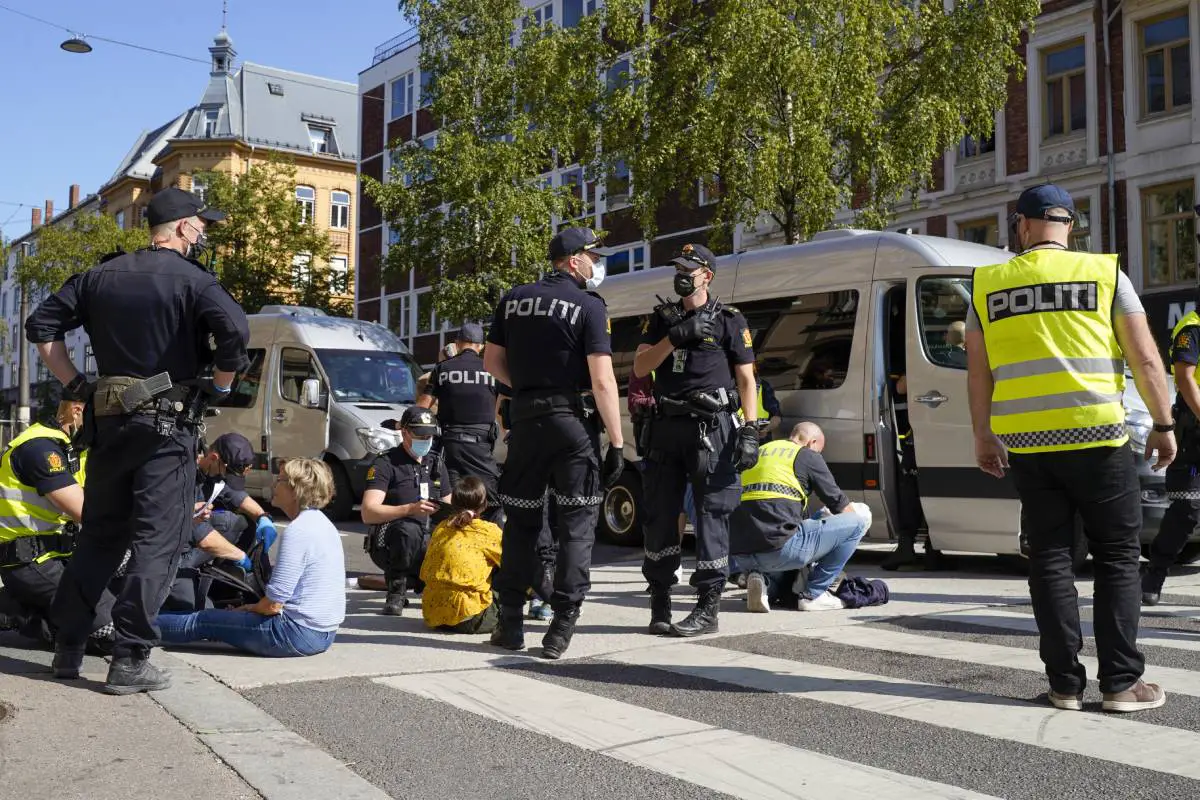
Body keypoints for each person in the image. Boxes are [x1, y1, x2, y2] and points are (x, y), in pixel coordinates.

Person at [27, 186, 249, 694]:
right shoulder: (195, 281)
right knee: (157, 540)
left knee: (101, 535)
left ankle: (68, 647)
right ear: (184, 227)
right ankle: (129, 658)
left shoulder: (100, 275)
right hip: (167, 431)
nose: (203, 236)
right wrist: (220, 384)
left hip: (109, 427)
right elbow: (234, 334)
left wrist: (74, 384)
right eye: (202, 227)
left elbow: (41, 324)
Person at [967, 182, 1175, 713]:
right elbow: (1147, 359)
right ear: (1070, 227)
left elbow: (979, 370)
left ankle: (1064, 686)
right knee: (1117, 559)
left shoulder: (988, 284)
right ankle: (1122, 684)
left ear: (1022, 225)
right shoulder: (1105, 274)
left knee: (1051, 559)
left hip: (1030, 445)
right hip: (1098, 438)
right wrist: (1163, 422)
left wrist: (984, 436)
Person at [483, 226, 625, 659]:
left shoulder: (513, 299)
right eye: (592, 257)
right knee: (576, 526)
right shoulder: (589, 305)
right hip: (571, 425)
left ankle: (510, 622)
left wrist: (527, 389)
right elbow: (602, 380)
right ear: (573, 260)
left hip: (525, 423)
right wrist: (617, 443)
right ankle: (561, 626)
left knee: (522, 525)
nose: (597, 264)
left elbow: (492, 362)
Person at [632, 243, 759, 637]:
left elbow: (747, 379)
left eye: (690, 267)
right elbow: (639, 367)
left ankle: (708, 607)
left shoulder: (731, 320)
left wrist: (751, 429)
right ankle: (660, 601)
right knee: (660, 514)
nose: (681, 273)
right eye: (678, 267)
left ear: (707, 275)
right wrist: (674, 337)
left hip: (713, 428)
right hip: (667, 425)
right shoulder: (659, 318)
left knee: (712, 515)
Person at [157, 458, 344, 657]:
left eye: (280, 480)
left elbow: (274, 604)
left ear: (295, 490)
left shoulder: (298, 530)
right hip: (324, 633)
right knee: (223, 619)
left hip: (294, 634)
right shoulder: (323, 523)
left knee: (203, 620)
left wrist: (246, 610)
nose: (274, 485)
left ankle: (132, 627)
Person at [0, 397, 115, 652]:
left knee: (126, 594)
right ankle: (13, 612)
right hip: (30, 561)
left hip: (60, 556)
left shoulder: (72, 449)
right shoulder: (40, 449)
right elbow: (87, 512)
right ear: (77, 412)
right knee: (113, 634)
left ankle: (36, 608)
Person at [730, 422, 869, 612]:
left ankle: (765, 585)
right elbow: (840, 506)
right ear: (812, 443)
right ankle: (814, 594)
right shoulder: (806, 456)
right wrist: (838, 552)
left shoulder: (760, 451)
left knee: (781, 561)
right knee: (858, 521)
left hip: (741, 553)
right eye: (819, 451)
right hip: (778, 550)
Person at [361, 406, 451, 616]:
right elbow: (368, 512)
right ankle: (397, 592)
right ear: (404, 432)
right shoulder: (386, 463)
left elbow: (449, 505)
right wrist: (409, 509)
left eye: (430, 435)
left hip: (429, 536)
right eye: (420, 435)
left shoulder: (436, 463)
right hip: (391, 539)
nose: (426, 439)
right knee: (407, 530)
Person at [1142, 305, 1200, 605]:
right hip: (1194, 437)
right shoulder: (1192, 327)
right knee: (1185, 510)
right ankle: (1154, 574)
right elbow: (1185, 377)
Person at [417, 322, 502, 522]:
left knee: (452, 498)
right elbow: (501, 408)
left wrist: (399, 424)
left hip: (451, 444)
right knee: (491, 500)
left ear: (457, 343)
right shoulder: (492, 370)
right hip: (481, 445)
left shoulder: (442, 369)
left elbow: (422, 407)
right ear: (481, 346)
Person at [420, 476, 503, 633]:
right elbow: (513, 565)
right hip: (467, 616)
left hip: (433, 615)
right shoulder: (488, 531)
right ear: (484, 505)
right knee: (509, 571)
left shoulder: (442, 527)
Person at [194, 432, 276, 554]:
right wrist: (238, 556)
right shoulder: (185, 473)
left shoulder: (214, 471)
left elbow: (235, 496)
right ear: (213, 458)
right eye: (226, 474)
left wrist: (262, 517)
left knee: (248, 519)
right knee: (228, 521)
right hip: (178, 538)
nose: (224, 478)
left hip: (196, 530)